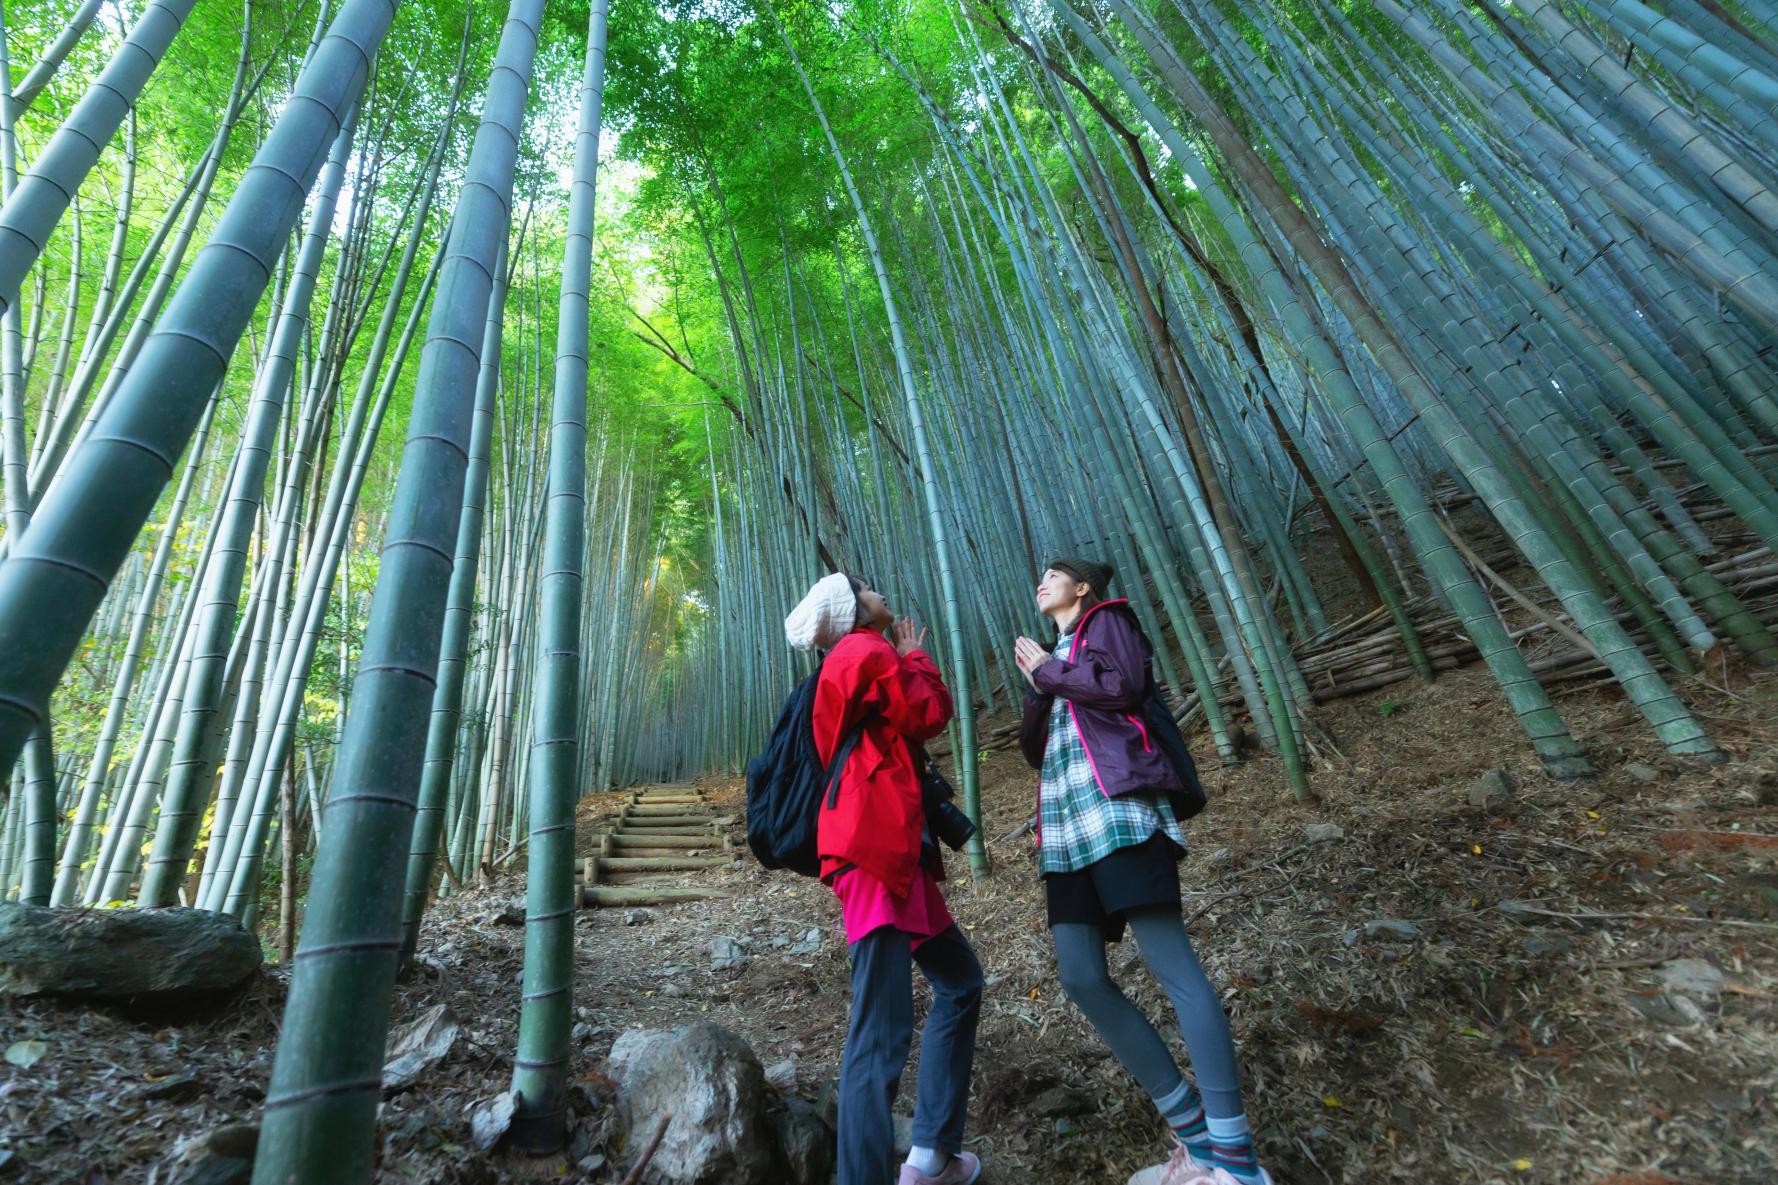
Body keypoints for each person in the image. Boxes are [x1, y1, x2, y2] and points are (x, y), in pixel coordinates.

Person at [1014, 559, 1271, 1185]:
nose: (1041, 582)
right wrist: (1040, 682)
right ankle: (1196, 1139)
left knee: (1173, 967)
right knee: (1079, 976)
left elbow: (1122, 687)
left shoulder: (1109, 622)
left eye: (1054, 575)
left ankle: (1236, 1159)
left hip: (1120, 812)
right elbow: (1032, 748)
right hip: (1067, 829)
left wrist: (1051, 673)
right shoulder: (1056, 655)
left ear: (1082, 588)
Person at [784, 572, 984, 1185]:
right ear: (851, 608)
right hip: (873, 848)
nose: (879, 590)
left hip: (889, 849)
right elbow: (929, 712)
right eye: (866, 588)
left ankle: (930, 1156)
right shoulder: (866, 652)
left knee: (959, 981)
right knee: (881, 1029)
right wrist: (914, 654)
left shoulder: (845, 663)